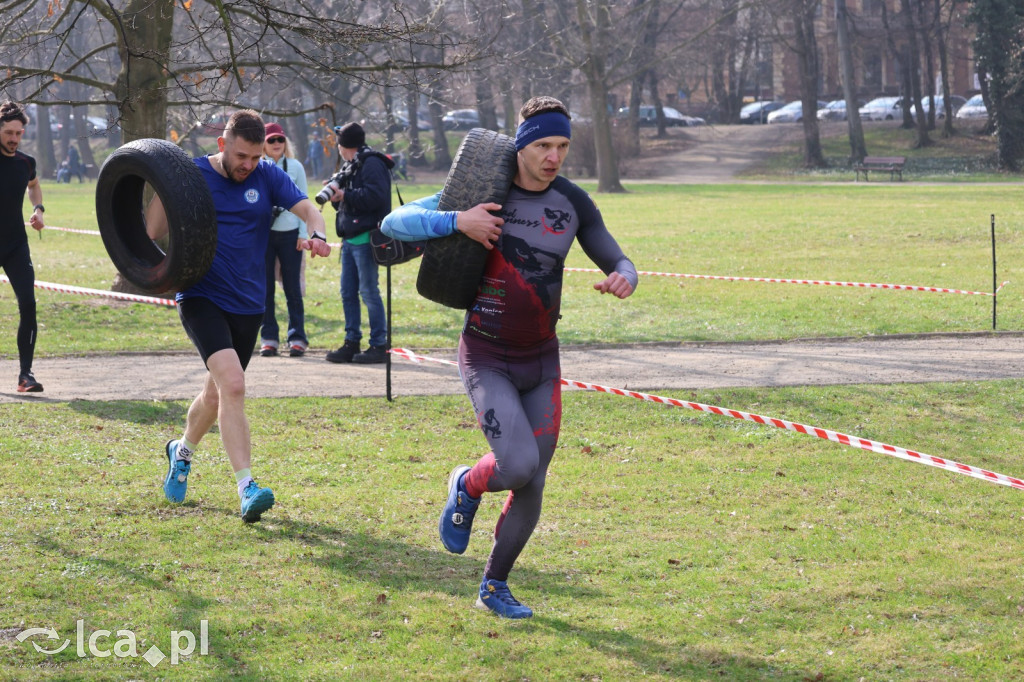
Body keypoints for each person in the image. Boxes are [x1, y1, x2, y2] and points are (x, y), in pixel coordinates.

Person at [380, 96, 637, 618]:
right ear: (521, 146)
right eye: (543, 145)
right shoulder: (485, 189)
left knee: (533, 481)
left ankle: (493, 586)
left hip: (541, 360)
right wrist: (458, 220)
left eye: (562, 145)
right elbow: (393, 222)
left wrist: (625, 274)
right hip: (486, 355)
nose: (553, 156)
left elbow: (613, 252)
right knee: (517, 465)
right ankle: (467, 484)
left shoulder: (572, 201)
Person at [145, 109, 331, 522]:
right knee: (233, 383)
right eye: (241, 156)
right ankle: (247, 487)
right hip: (202, 296)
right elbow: (153, 231)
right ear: (222, 145)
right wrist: (163, 178)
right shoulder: (193, 174)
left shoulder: (267, 175)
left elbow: (308, 209)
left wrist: (316, 232)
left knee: (217, 393)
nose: (248, 165)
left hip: (249, 303)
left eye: (255, 156)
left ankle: (181, 451)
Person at [324, 122, 394, 365]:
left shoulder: (371, 163)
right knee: (347, 293)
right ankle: (351, 342)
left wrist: (346, 195)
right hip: (349, 239)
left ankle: (379, 345)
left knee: (369, 292)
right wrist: (336, 198)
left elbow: (377, 197)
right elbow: (347, 203)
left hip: (366, 239)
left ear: (344, 146)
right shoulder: (350, 165)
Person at [0, 101, 46, 393]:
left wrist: (38, 210)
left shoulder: (26, 162)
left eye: (18, 133)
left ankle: (25, 375)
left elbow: (33, 185)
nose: (14, 138)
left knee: (28, 304)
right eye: (8, 133)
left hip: (16, 243)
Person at [259, 122, 310, 358]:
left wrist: (302, 234)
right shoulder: (258, 166)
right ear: (263, 144)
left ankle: (297, 337)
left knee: (292, 289)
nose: (277, 143)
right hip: (265, 235)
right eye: (271, 140)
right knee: (265, 288)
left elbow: (305, 200)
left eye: (280, 139)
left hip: (290, 234)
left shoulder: (295, 166)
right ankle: (268, 338)